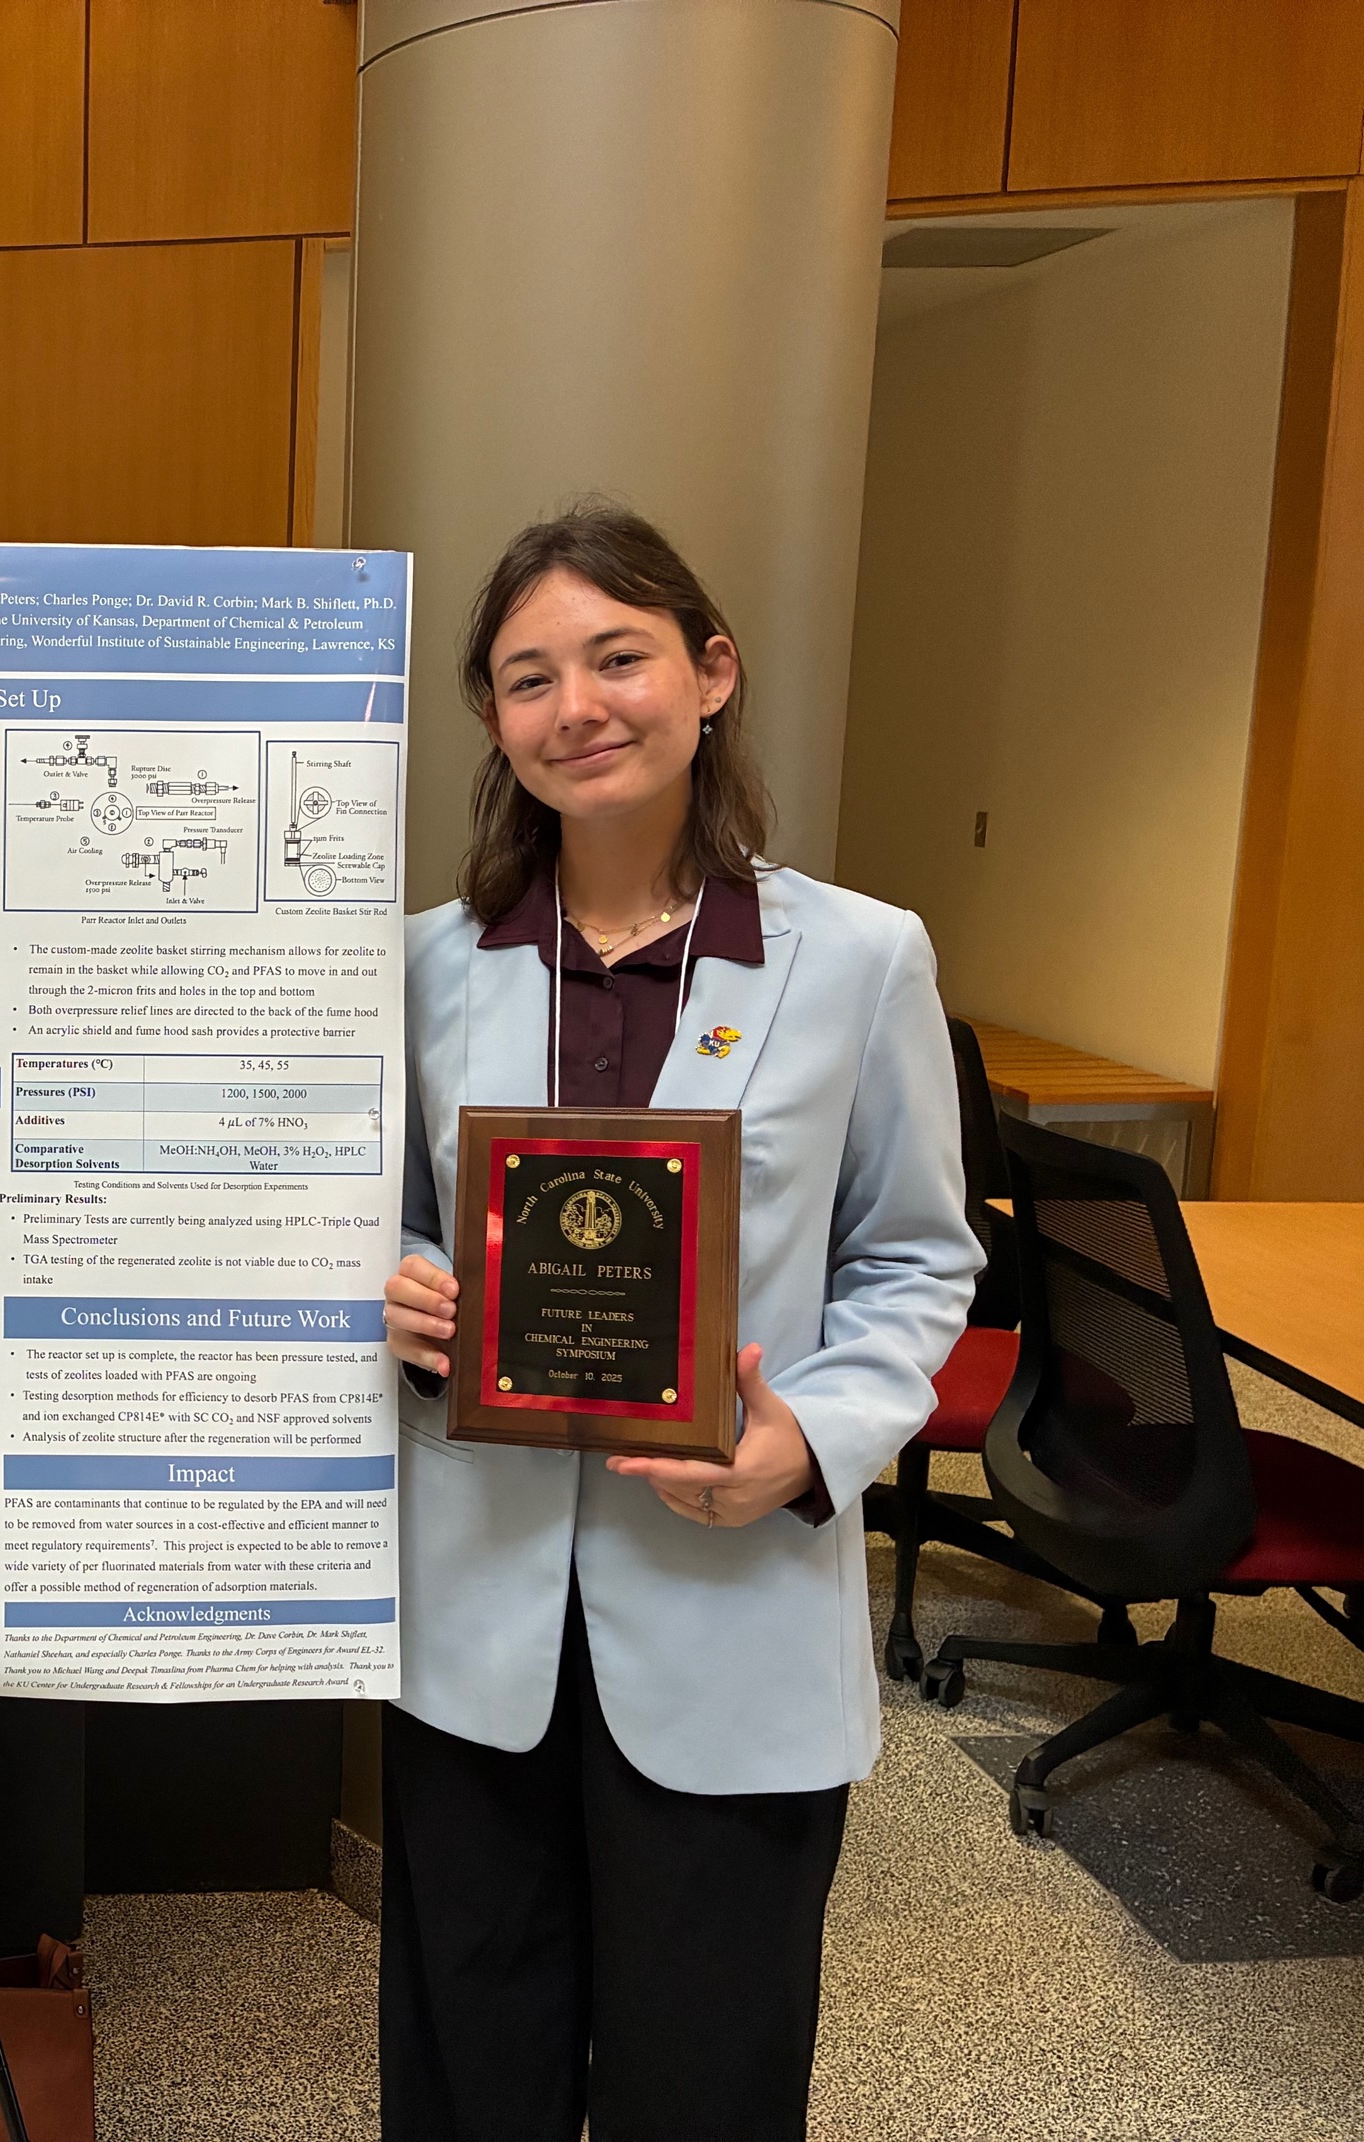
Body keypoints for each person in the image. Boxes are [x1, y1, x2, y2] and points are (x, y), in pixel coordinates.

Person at [379, 502, 979, 2141]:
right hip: (474, 1628)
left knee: (704, 2080)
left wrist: (811, 1440)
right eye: (528, 677)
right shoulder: (425, 970)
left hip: (730, 1607)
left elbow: (920, 1258)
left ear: (710, 673)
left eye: (619, 655)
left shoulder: (858, 960)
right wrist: (391, 1285)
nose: (580, 705)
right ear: (495, 722)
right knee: (467, 2070)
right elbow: (378, 1227)